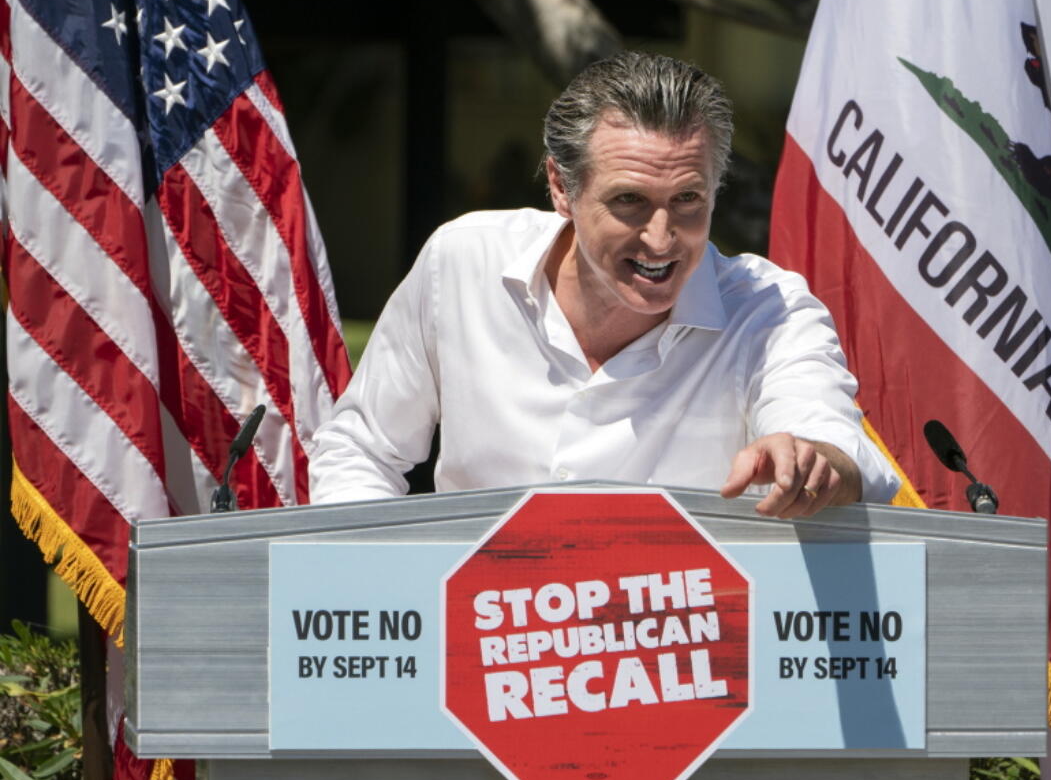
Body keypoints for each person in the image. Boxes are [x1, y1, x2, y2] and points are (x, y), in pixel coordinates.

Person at [309, 52, 899, 517]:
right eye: (629, 202)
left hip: (685, 651)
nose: (662, 237)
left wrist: (812, 463)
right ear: (561, 188)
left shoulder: (770, 309)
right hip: (477, 645)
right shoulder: (462, 261)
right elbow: (361, 450)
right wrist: (376, 594)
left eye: (688, 200)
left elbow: (835, 448)